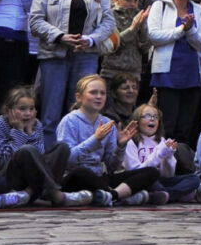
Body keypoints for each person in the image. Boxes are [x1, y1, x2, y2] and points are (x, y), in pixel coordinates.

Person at [28, 0, 113, 147]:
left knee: (82, 111)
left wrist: (90, 39)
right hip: (54, 55)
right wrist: (60, 37)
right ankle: (50, 159)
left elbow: (109, 21)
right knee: (51, 111)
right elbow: (35, 20)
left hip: (86, 56)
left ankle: (79, 158)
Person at [56, 75, 152, 206]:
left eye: (102, 93)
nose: (99, 96)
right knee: (82, 172)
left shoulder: (107, 123)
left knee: (151, 172)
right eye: (93, 92)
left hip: (99, 177)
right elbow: (67, 159)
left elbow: (112, 166)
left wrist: (121, 146)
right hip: (75, 177)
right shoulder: (69, 121)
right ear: (79, 97)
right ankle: (123, 197)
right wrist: (95, 139)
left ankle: (113, 195)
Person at [0, 83, 86, 206]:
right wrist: (18, 131)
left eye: (31, 108)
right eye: (22, 109)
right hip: (11, 177)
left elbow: (40, 157)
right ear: (9, 111)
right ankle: (55, 194)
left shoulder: (36, 124)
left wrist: (30, 132)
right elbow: (3, 160)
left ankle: (29, 192)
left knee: (62, 147)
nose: (28, 113)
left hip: (34, 178)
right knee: (26, 150)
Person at [146, 0, 201, 146]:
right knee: (167, 124)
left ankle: (180, 166)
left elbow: (200, 44)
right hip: (167, 73)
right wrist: (181, 29)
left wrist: (189, 30)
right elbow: (154, 37)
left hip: (190, 73)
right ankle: (162, 163)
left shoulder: (198, 10)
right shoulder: (160, 5)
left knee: (185, 126)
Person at [123, 104, 198, 203]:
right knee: (155, 184)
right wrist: (159, 155)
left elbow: (168, 175)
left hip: (161, 181)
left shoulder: (161, 141)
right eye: (147, 116)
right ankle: (174, 195)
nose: (152, 119)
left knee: (194, 179)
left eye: (155, 116)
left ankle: (163, 195)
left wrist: (169, 156)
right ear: (137, 120)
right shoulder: (132, 142)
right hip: (141, 183)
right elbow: (137, 173)